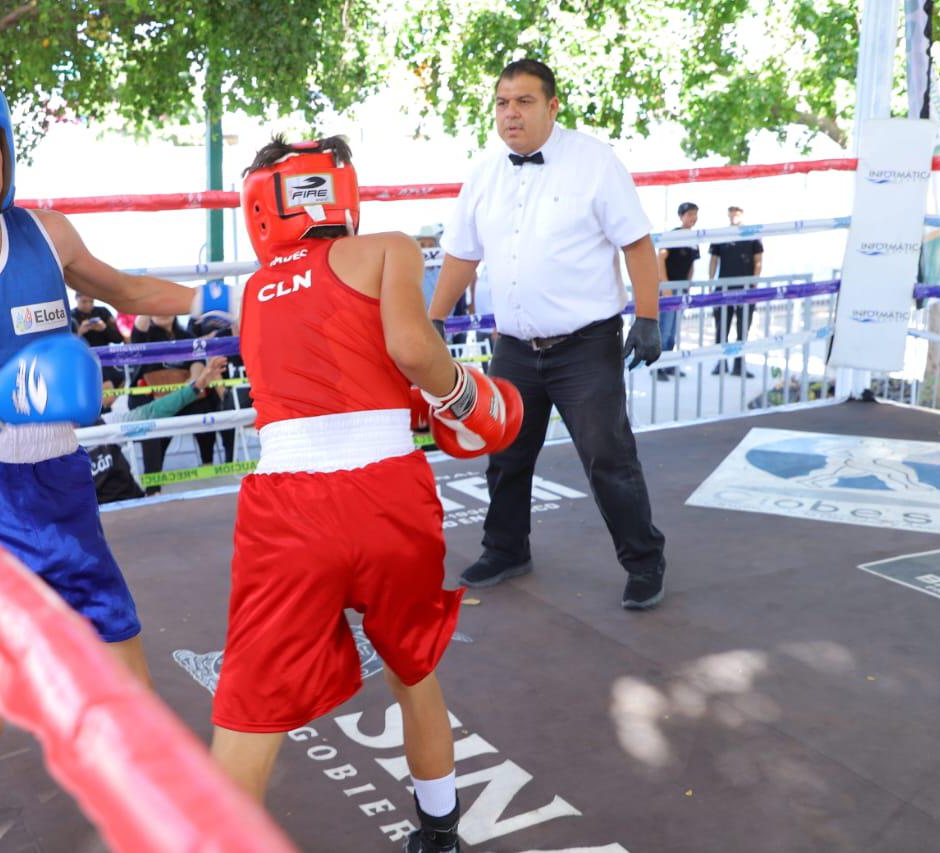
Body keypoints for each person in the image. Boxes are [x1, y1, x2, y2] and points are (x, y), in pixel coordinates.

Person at [0, 60, 232, 848]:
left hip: (61, 494)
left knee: (132, 711)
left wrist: (214, 303)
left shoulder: (44, 231)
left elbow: (124, 290)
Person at [210, 135, 522, 853]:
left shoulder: (252, 292)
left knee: (252, 708)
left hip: (289, 510)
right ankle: (439, 835)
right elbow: (413, 352)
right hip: (389, 495)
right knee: (414, 667)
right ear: (340, 192)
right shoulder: (387, 247)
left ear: (262, 205)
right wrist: (464, 399)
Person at [428, 58, 668, 610]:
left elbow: (637, 243)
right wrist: (434, 319)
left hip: (585, 345)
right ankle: (506, 548)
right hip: (512, 347)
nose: (511, 113)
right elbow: (462, 255)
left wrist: (649, 317)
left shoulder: (595, 162)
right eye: (503, 102)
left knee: (608, 456)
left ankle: (644, 559)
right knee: (505, 454)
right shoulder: (484, 175)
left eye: (525, 101)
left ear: (552, 106)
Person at [90, 356, 228, 503]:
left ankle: (153, 492)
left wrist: (196, 386)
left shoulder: (107, 422)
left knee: (149, 427)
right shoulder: (64, 444)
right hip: (96, 518)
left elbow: (153, 411)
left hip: (133, 505)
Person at [707, 205, 763, 377]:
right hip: (723, 289)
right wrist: (711, 283)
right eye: (731, 215)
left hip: (745, 290)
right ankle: (721, 363)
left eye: (737, 215)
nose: (734, 218)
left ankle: (739, 365)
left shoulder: (752, 235)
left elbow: (758, 261)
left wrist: (754, 284)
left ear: (742, 216)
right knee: (721, 328)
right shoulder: (721, 235)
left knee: (742, 329)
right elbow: (713, 261)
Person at [655, 202, 701, 380]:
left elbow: (691, 265)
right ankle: (658, 366)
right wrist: (665, 285)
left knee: (673, 330)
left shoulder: (695, 239)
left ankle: (669, 363)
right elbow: (661, 258)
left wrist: (688, 284)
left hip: (681, 289)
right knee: (664, 328)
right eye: (689, 214)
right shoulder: (672, 235)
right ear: (681, 216)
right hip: (668, 288)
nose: (692, 218)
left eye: (695, 214)